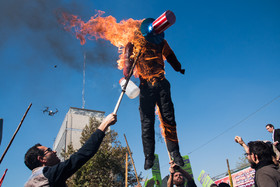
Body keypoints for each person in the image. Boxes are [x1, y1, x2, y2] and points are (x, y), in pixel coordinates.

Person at [124, 37, 185, 170]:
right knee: (147, 122)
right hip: (145, 86)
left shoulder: (160, 41)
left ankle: (175, 152)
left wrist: (178, 67)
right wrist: (126, 74)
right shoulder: (134, 43)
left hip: (161, 83)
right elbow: (127, 61)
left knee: (168, 119)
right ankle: (149, 157)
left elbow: (170, 55)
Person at [24, 113, 117, 187]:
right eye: (49, 150)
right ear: (41, 159)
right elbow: (83, 154)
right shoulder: (48, 175)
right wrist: (104, 124)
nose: (54, 151)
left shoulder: (31, 182)